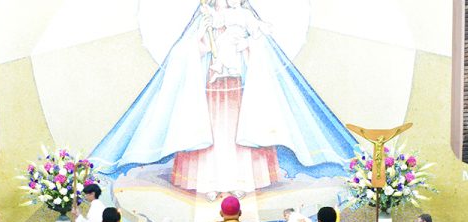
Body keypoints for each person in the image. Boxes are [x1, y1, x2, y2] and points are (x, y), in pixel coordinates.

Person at [89, 1, 357, 196]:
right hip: (210, 89)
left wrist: (246, 45)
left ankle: (243, 182)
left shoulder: (243, 16)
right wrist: (202, 46)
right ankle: (208, 183)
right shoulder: (204, 18)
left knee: (237, 133)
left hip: (238, 87)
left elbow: (262, 37)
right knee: (214, 134)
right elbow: (187, 50)